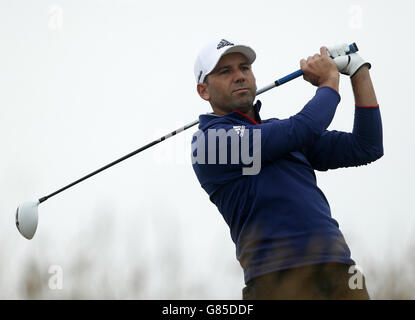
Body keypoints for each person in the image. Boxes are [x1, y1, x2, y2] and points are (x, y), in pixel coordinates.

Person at [191, 38, 383, 300]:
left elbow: (366, 146)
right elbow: (303, 127)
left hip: (341, 269)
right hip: (276, 280)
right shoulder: (209, 143)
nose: (239, 76)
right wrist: (329, 82)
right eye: (225, 72)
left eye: (244, 68)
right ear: (204, 91)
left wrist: (358, 70)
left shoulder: (283, 133)